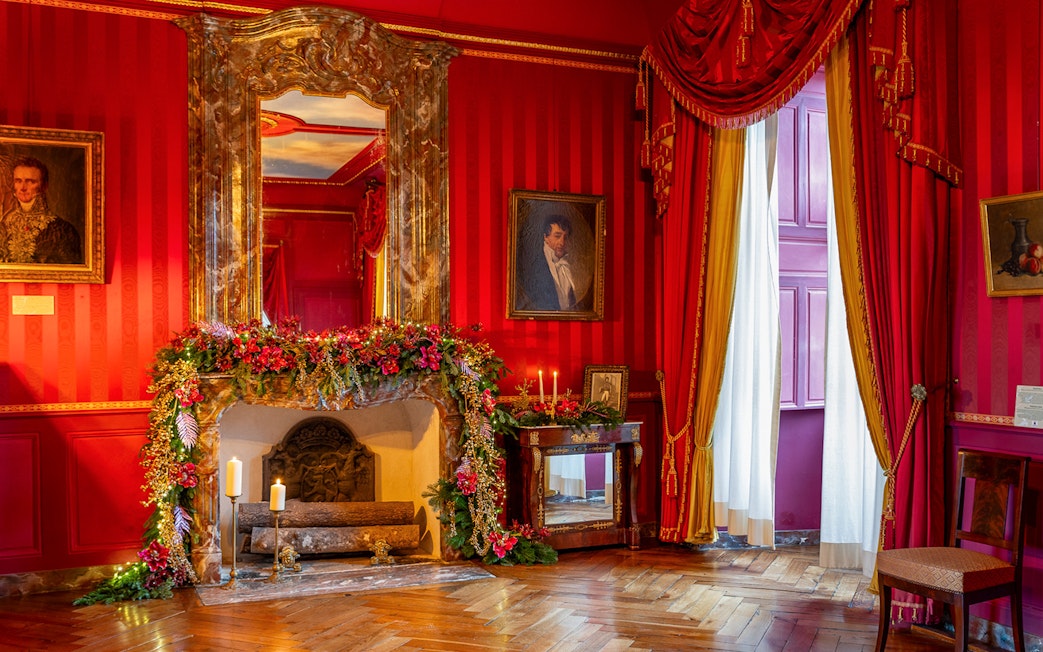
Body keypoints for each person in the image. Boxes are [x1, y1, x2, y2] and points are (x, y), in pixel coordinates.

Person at [0, 156, 82, 264]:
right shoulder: (4, 225)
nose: (23, 188)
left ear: (44, 186)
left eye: (30, 182)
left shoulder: (63, 230)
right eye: (18, 181)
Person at [519, 214, 591, 311]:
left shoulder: (566, 267)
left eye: (565, 237)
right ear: (546, 237)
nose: (562, 242)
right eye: (557, 236)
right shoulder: (534, 266)